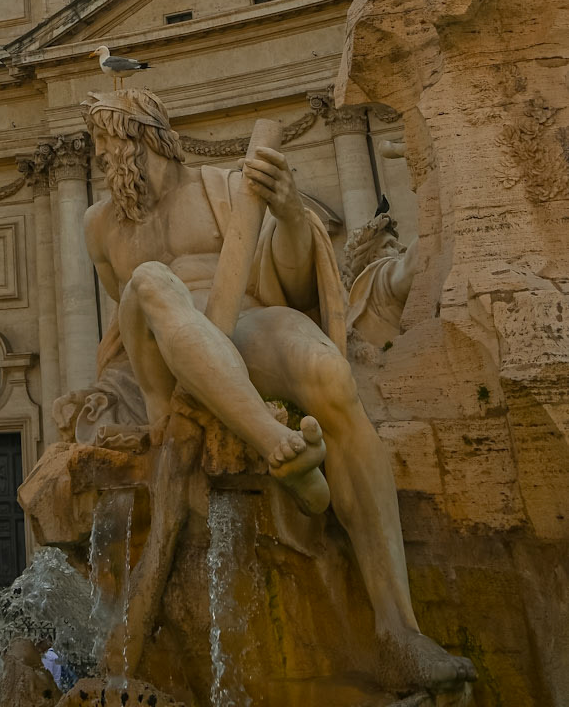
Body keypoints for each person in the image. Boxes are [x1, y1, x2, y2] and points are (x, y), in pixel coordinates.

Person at [80, 85, 476, 695]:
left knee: (330, 377)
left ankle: (398, 631)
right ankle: (276, 444)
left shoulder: (222, 188)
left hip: (240, 324)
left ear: (146, 138)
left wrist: (289, 214)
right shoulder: (100, 226)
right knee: (152, 281)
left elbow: (286, 282)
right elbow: (123, 320)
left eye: (110, 147)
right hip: (163, 354)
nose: (105, 162)